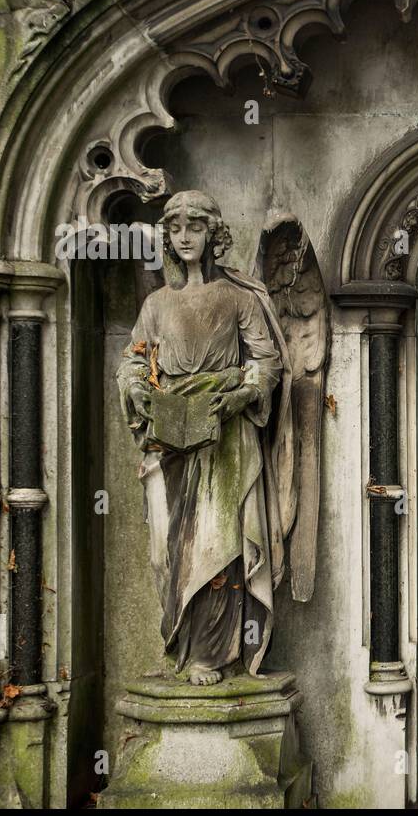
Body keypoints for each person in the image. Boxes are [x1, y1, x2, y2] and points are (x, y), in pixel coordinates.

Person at [117, 190, 294, 685]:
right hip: (170, 436)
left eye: (194, 227)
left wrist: (243, 396)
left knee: (217, 544)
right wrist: (136, 386)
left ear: (213, 234)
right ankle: (184, 640)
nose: (184, 237)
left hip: (224, 434)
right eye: (175, 230)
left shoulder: (237, 298)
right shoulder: (156, 304)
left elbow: (267, 362)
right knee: (170, 549)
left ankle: (213, 654)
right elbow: (134, 359)